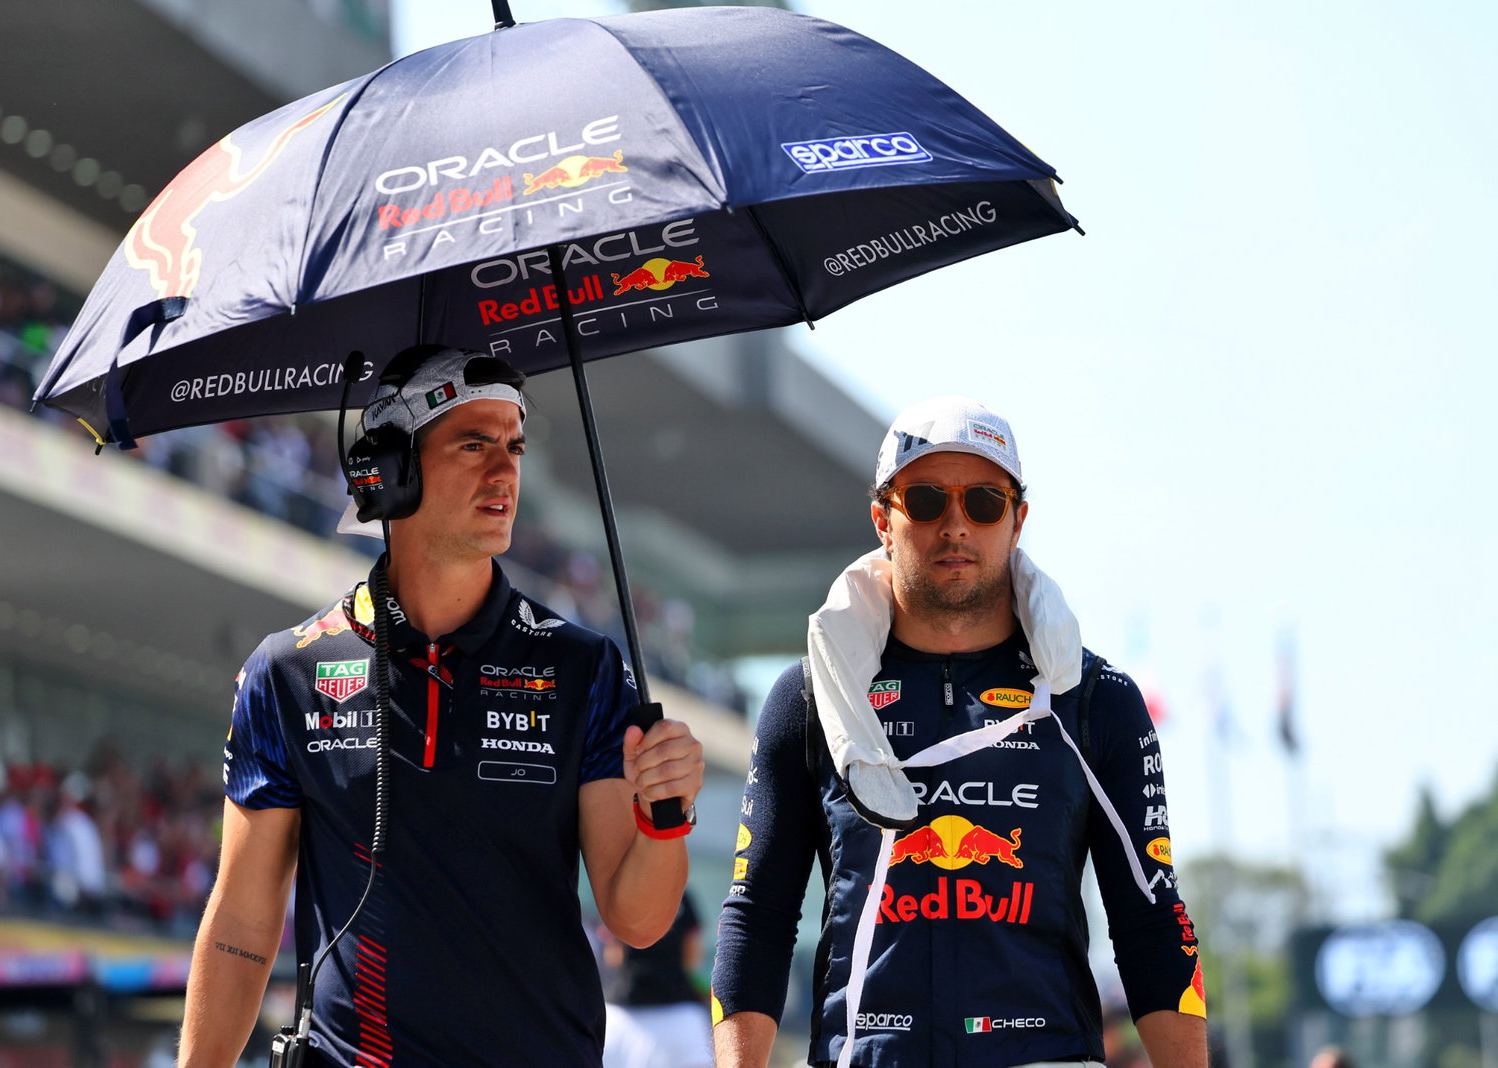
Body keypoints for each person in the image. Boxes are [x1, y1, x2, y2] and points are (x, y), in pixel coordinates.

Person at [179, 348, 704, 1067]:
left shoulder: (582, 667)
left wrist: (665, 815)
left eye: (513, 446)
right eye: (473, 443)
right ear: (392, 470)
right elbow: (241, 919)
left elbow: (638, 921)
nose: (505, 471)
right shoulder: (286, 671)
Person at [711, 396, 1207, 1067]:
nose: (955, 525)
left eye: (982, 502)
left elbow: (1152, 922)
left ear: (1017, 519)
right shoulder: (809, 698)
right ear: (883, 519)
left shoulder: (1092, 699)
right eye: (924, 500)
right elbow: (758, 916)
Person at [601, 890, 714, 1068]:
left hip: (616, 1021)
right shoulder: (682, 898)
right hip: (682, 1020)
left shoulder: (622, 891)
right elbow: (692, 957)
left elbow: (614, 955)